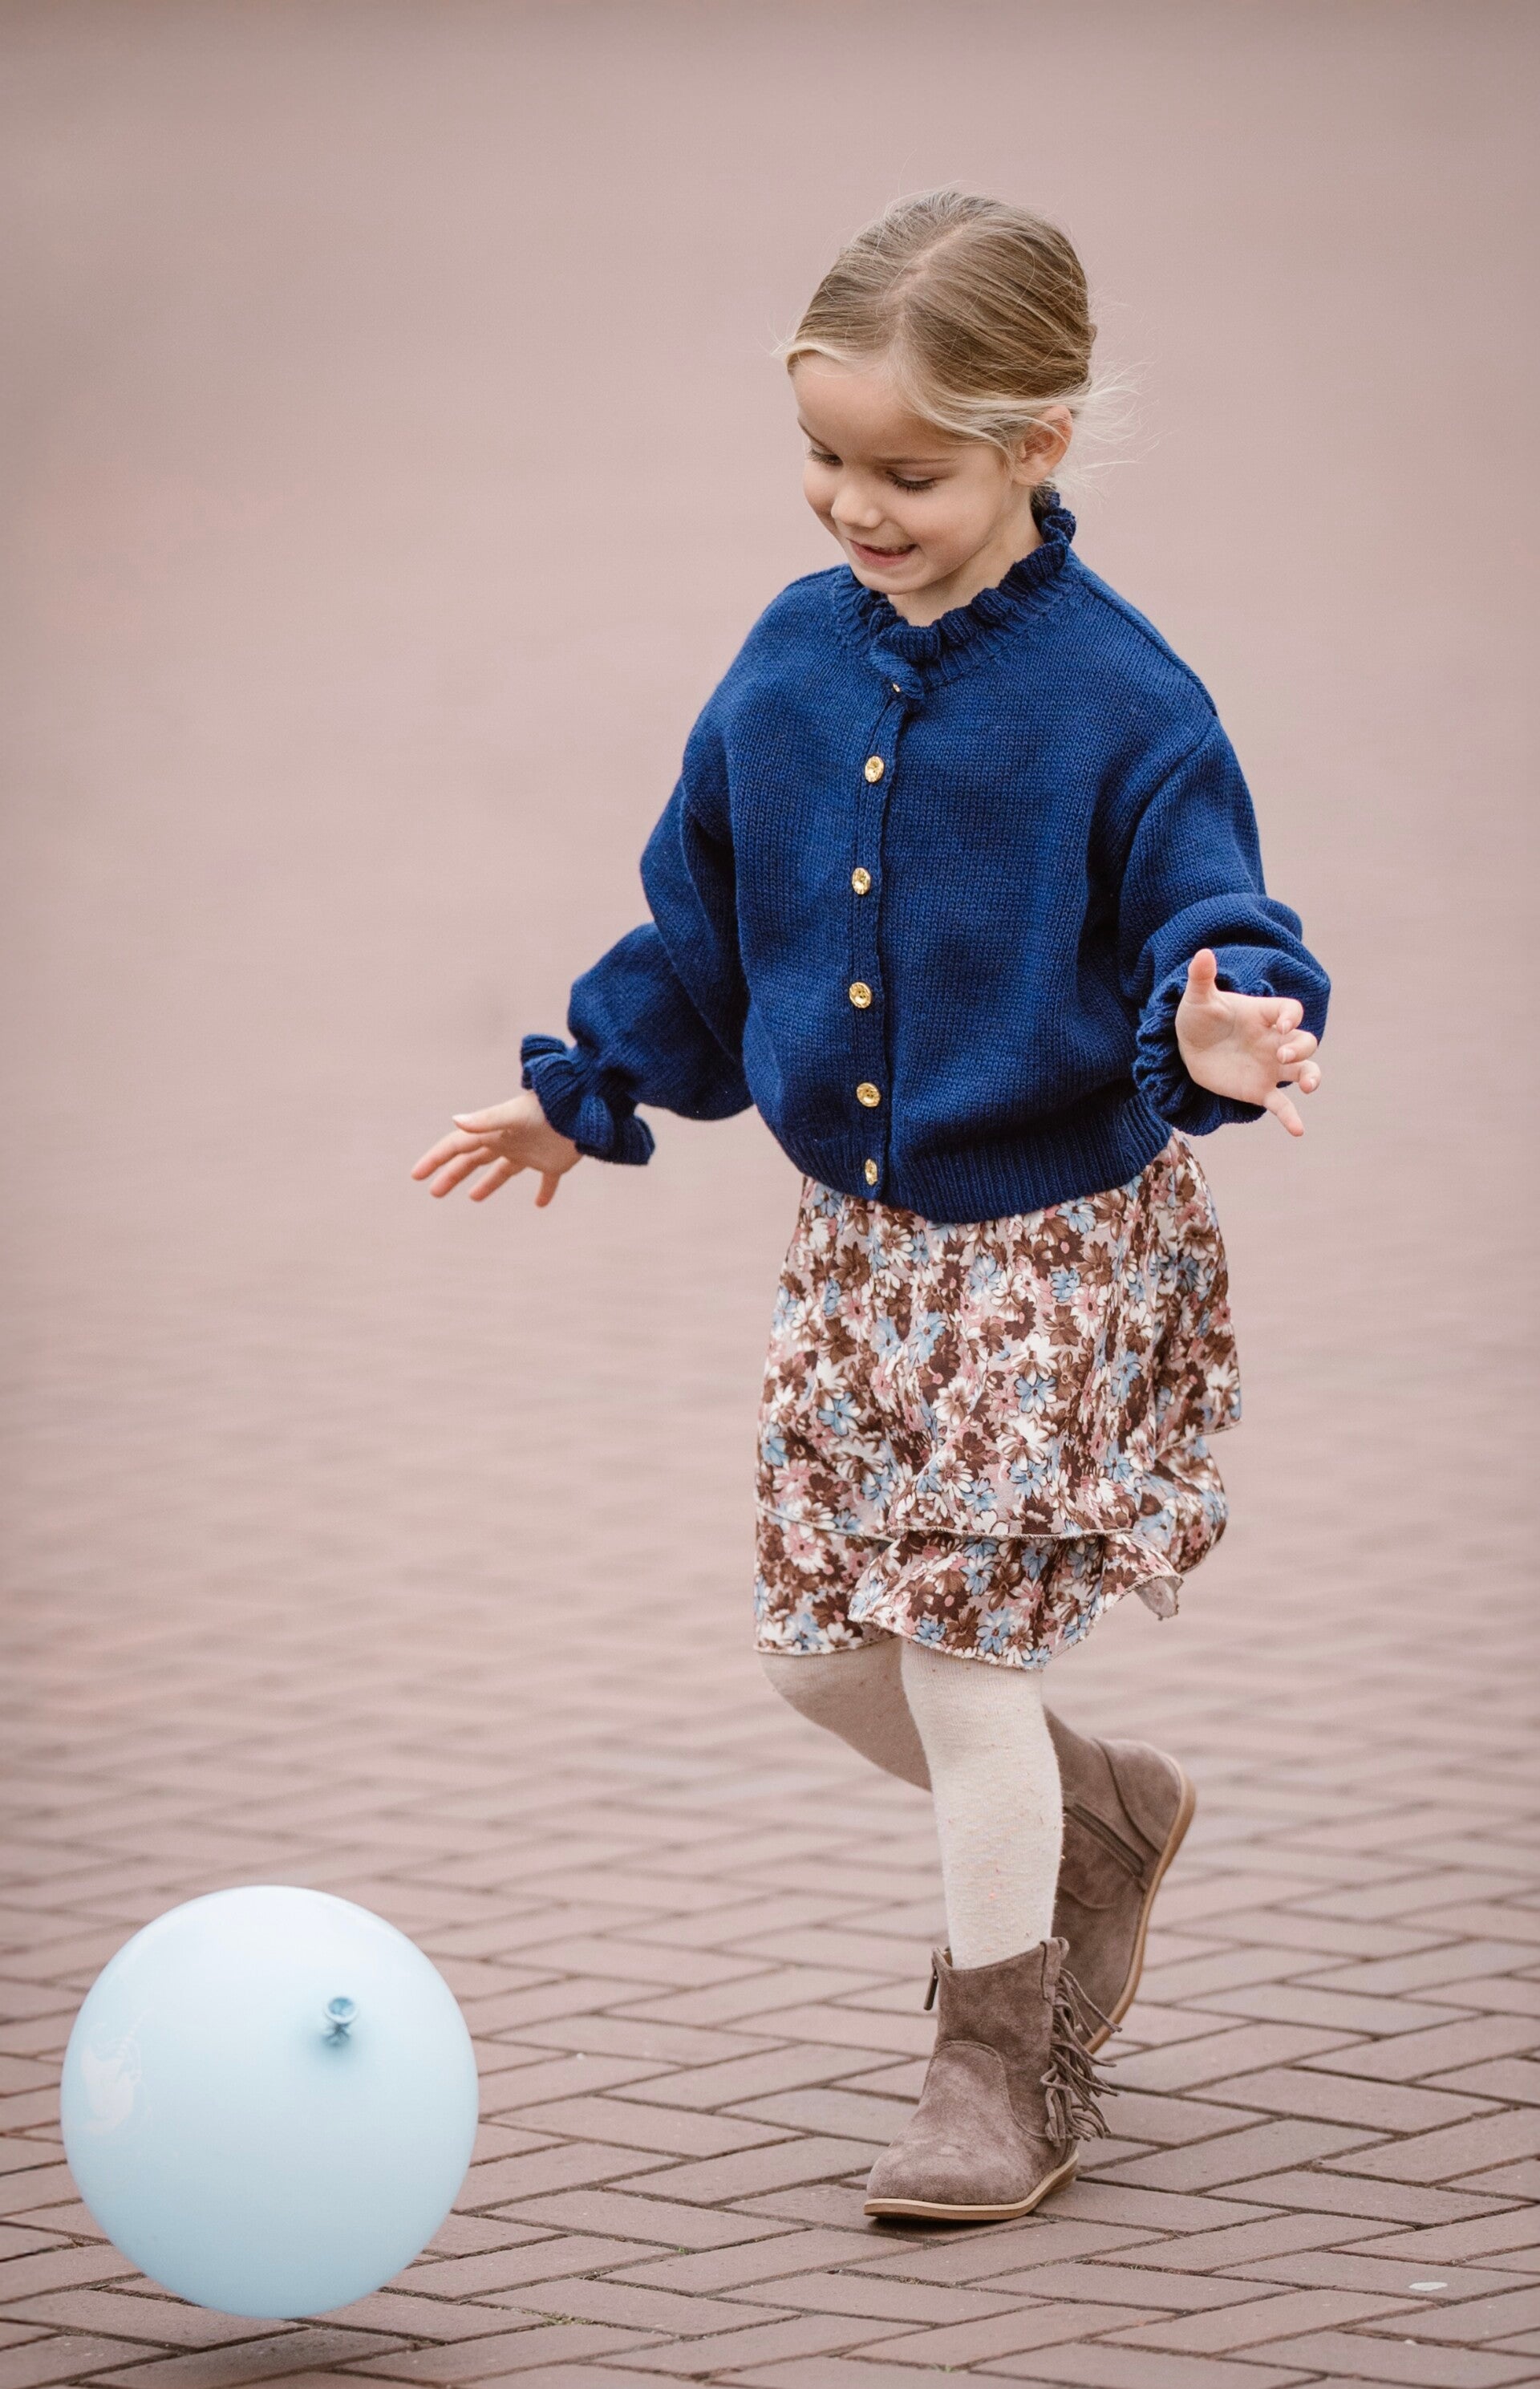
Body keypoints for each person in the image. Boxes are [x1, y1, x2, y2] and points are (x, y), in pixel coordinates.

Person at [412, 189, 1328, 2223]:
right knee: (822, 1659)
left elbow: (1213, 911)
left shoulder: (1125, 699)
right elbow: (703, 926)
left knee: (955, 1666)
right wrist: (595, 1088)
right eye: (824, 457)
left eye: (908, 471)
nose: (856, 504)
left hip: (1054, 1253)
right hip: (868, 1264)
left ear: (1037, 446)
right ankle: (1105, 1818)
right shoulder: (786, 667)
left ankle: (1000, 2060)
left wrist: (1236, 1015)